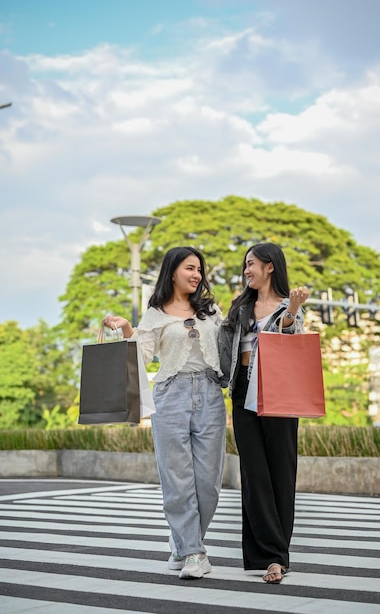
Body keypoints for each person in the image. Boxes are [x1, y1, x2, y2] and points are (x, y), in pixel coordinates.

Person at [103, 246, 226, 580]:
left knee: (209, 482)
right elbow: (142, 357)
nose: (196, 275)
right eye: (190, 268)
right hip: (171, 394)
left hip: (211, 394)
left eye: (200, 269)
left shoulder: (211, 310)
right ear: (173, 271)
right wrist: (128, 330)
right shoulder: (155, 313)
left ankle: (182, 541)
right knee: (176, 479)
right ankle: (193, 552)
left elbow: (228, 344)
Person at [218, 242, 309, 584]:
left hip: (278, 390)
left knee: (281, 472)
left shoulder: (291, 306)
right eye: (245, 265)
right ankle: (266, 555)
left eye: (251, 264)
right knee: (254, 474)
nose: (246, 270)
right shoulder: (240, 306)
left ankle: (276, 557)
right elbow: (224, 347)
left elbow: (291, 339)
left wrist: (291, 313)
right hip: (243, 390)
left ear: (270, 266)